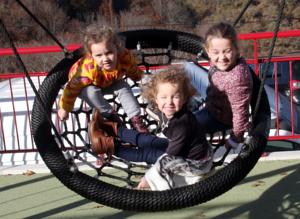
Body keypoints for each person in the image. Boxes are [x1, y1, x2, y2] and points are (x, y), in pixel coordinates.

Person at [91, 67, 213, 190]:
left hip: (194, 163)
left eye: (175, 97)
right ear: (156, 99)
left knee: (148, 153)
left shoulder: (181, 124)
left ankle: (108, 146)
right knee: (147, 140)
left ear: (184, 98)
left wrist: (149, 178)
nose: (169, 102)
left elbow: (168, 157)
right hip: (184, 149)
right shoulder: (165, 110)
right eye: (164, 97)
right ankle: (113, 129)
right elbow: (154, 109)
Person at [58, 24, 148, 133]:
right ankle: (111, 117)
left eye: (109, 53)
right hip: (86, 85)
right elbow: (71, 89)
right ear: (91, 55)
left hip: (110, 81)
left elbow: (132, 69)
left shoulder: (124, 57)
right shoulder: (87, 72)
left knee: (123, 86)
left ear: (117, 49)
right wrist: (65, 108)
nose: (105, 59)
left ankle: (136, 119)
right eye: (99, 55)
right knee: (90, 92)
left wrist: (139, 77)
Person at [184, 22, 253, 150]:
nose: (222, 57)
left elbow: (240, 113)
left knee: (186, 127)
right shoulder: (217, 63)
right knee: (187, 67)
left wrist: (235, 138)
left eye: (227, 52)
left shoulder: (237, 79)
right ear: (208, 52)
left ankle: (198, 153)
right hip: (214, 94)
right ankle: (194, 103)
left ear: (236, 50)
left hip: (219, 116)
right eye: (216, 52)